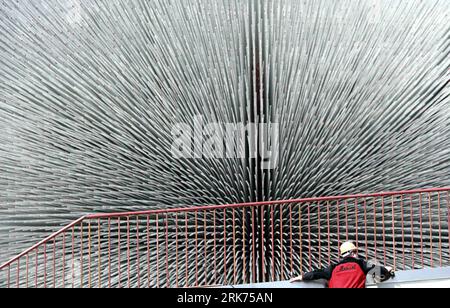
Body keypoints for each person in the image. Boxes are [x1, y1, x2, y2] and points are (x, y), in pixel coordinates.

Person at [290, 241, 395, 288]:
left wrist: (301, 276)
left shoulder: (333, 268)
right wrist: (387, 270)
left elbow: (317, 273)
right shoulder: (360, 263)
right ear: (353, 253)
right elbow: (376, 270)